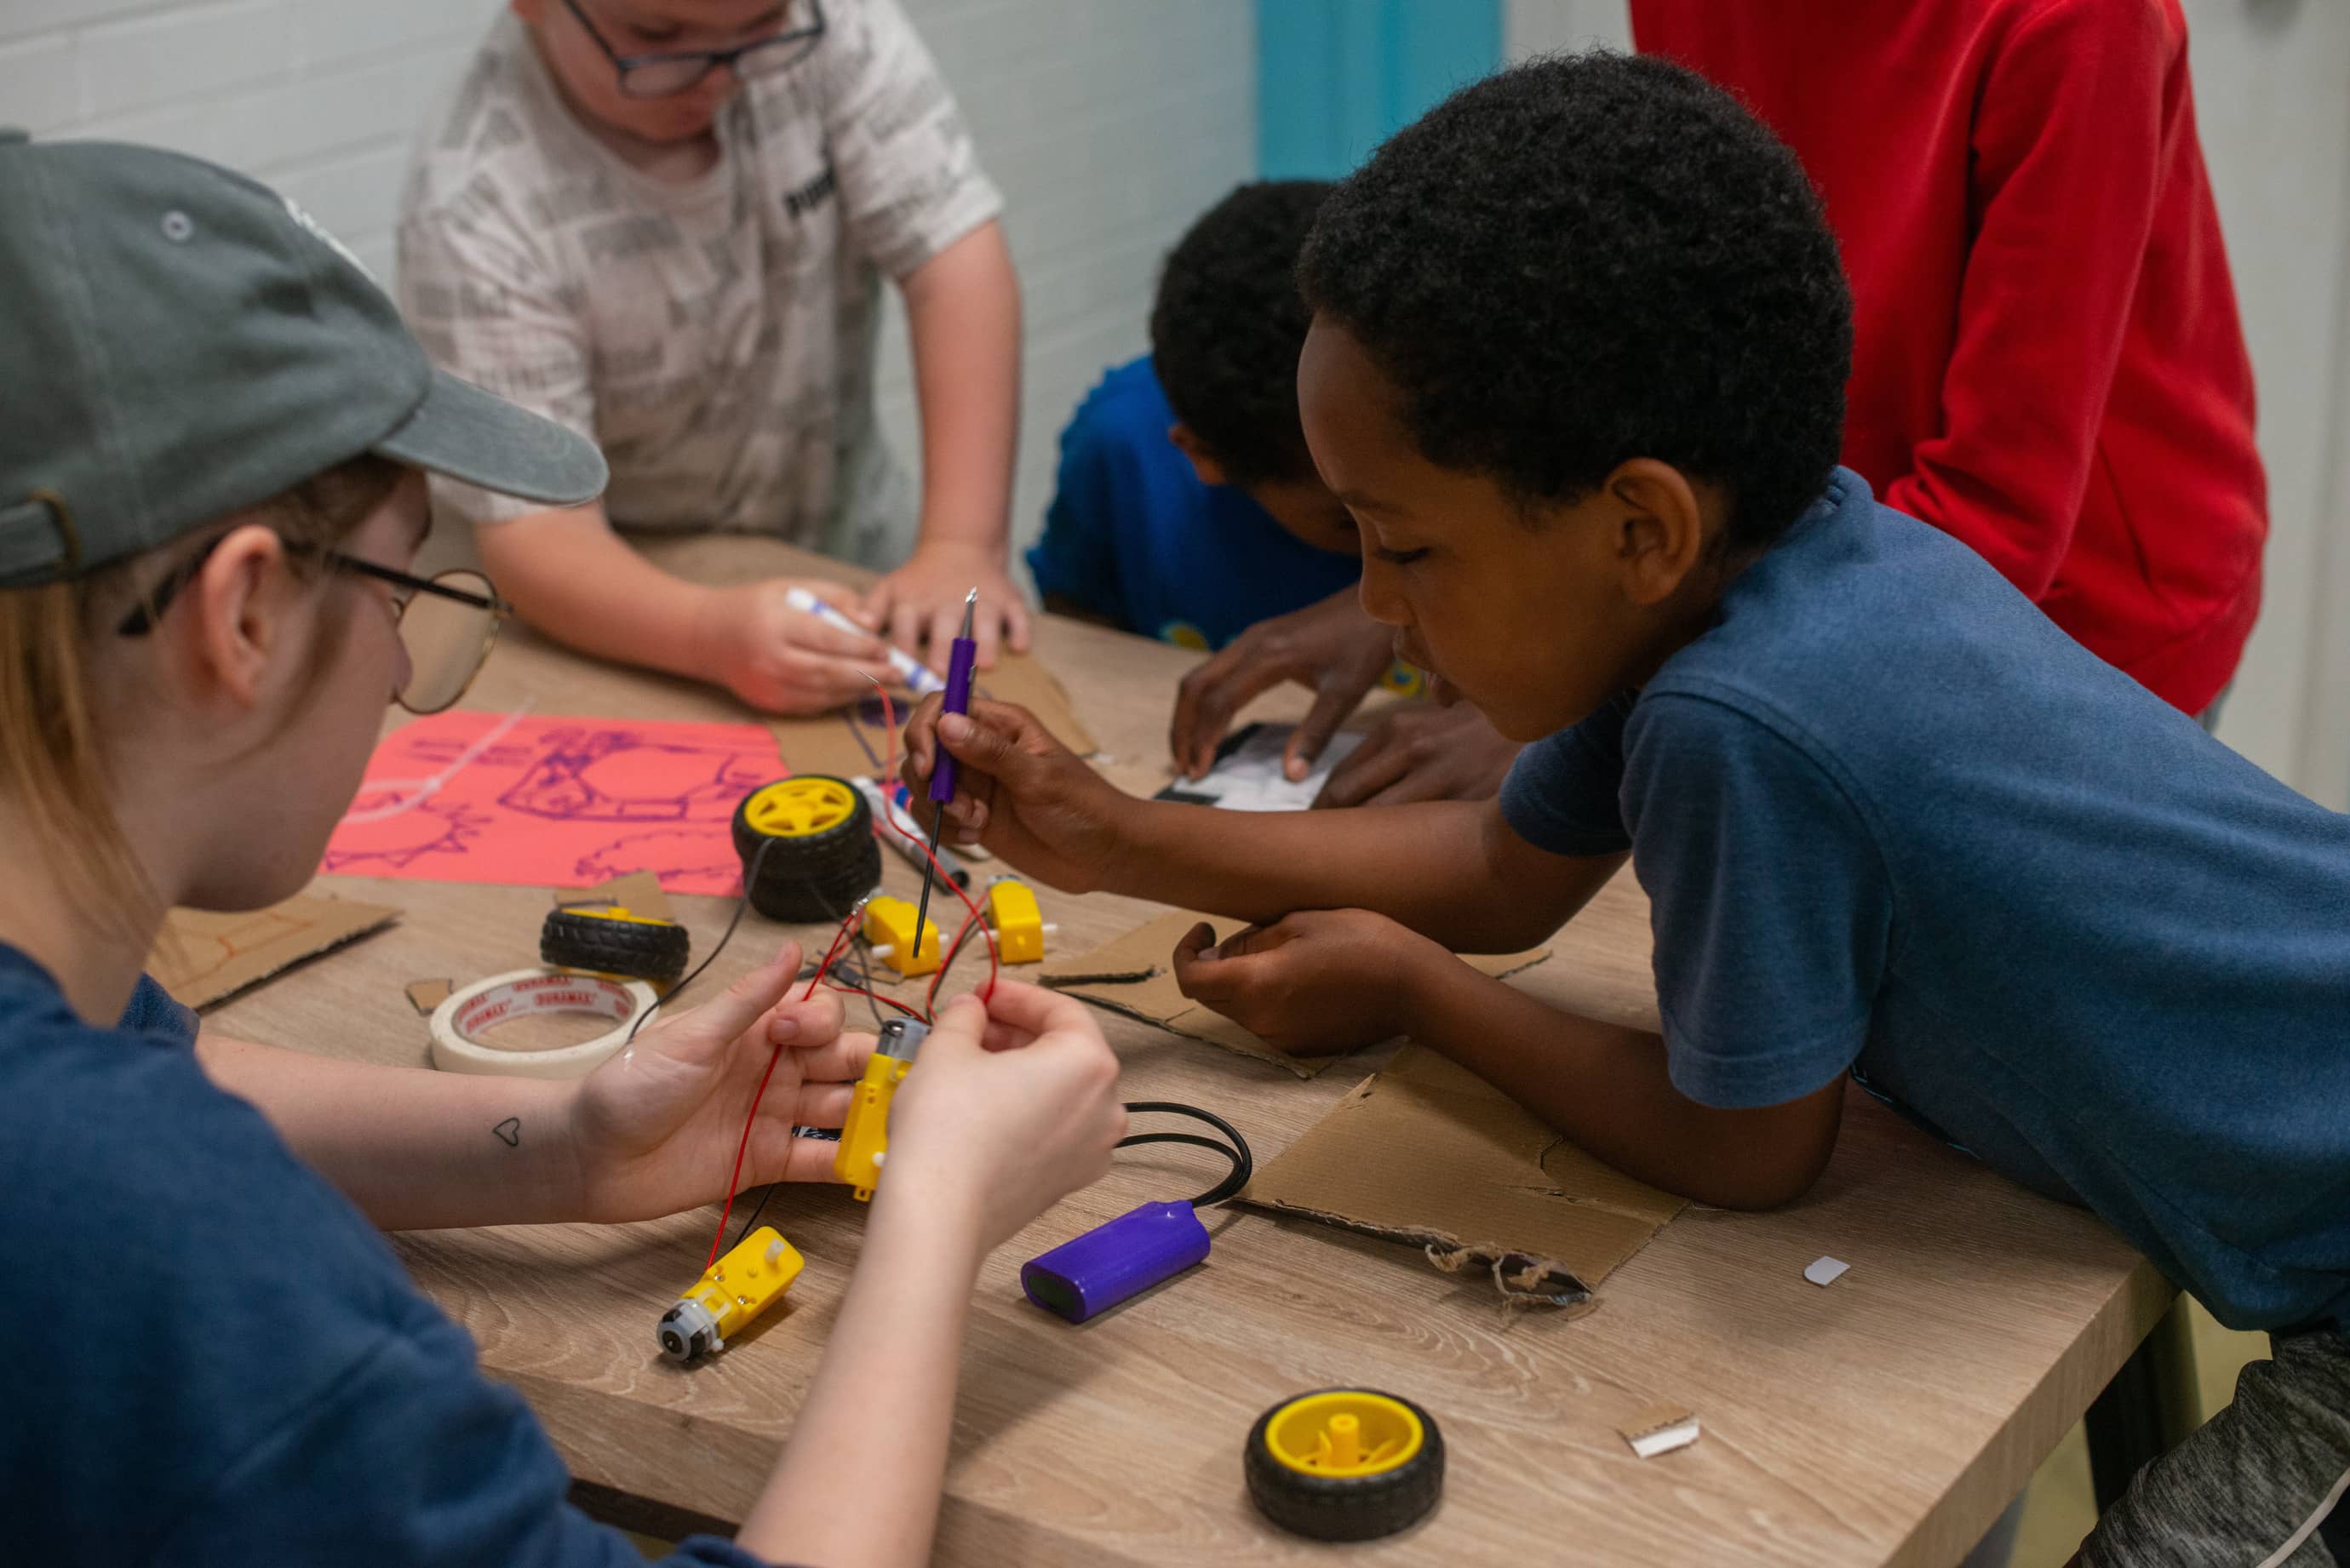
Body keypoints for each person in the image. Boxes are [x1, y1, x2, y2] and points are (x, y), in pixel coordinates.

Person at [902, 55, 2350, 1565]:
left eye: (1404, 546)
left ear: (1638, 524)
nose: (1379, 608)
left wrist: (1417, 990)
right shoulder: (1791, 562)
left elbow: (1746, 1151)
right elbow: (1502, 864)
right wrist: (1117, 833)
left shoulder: (1741, 721)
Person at [0, 133, 1126, 1568]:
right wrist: (937, 1214)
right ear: (246, 617)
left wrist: (575, 1148)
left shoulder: (59, 1034)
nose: (400, 664)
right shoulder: (169, 1263)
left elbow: (156, 1065)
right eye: (407, 587)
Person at [1180, 0, 2267, 799]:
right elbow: (1685, 324)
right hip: (1795, 563)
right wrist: (1441, 577)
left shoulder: (2077, 21)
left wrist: (1572, 703)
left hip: (2075, 611)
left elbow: (1999, 523)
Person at [399, 0, 1032, 715]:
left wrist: (959, 545)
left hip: (845, 533)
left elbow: (952, 259)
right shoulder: (473, 205)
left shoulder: (832, 22)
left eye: (761, 27)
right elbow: (539, 533)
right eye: (658, 35)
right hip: (630, 598)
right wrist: (707, 633)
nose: (720, 76)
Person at [1028, 180, 1364, 651]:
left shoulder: (1432, 402)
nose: (1391, 546)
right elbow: (1077, 612)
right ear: (1204, 455)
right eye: (1349, 521)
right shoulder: (1120, 448)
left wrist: (1376, 619)